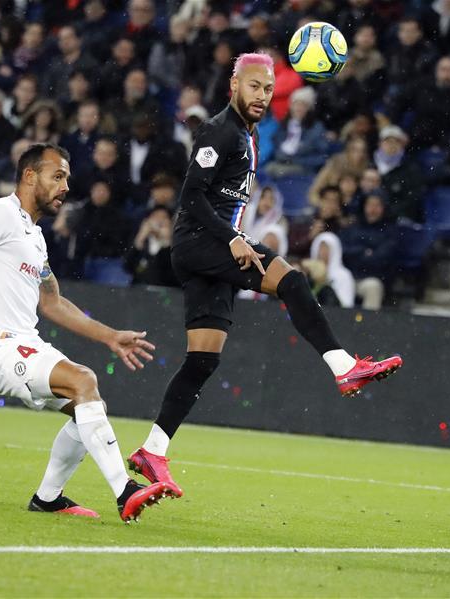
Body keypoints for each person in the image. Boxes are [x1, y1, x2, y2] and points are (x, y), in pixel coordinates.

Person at [126, 54, 402, 494]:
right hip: (203, 242)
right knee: (291, 281)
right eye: (254, 86)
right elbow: (191, 197)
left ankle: (152, 450)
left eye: (269, 89)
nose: (262, 96)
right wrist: (232, 238)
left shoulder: (246, 133)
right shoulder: (219, 130)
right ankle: (344, 365)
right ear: (234, 84)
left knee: (203, 359)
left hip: (207, 246)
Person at [0, 143, 177, 522]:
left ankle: (47, 498)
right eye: (57, 176)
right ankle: (125, 492)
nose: (65, 186)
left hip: (26, 343)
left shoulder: (35, 237)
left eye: (66, 178)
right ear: (30, 176)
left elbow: (53, 303)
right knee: (84, 380)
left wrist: (109, 336)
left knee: (88, 407)